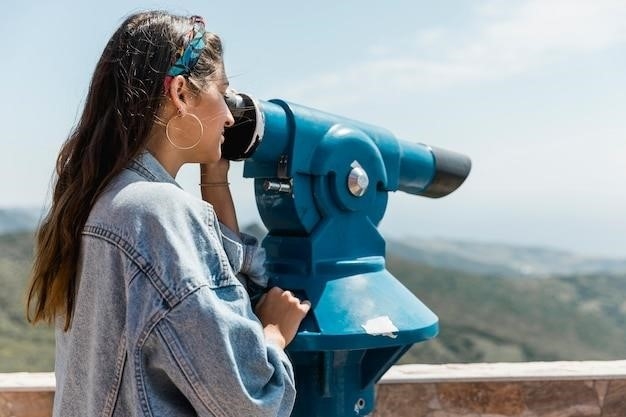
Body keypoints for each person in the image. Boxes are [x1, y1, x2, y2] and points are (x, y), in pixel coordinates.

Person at [26, 10, 310, 417]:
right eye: (222, 93)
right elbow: (248, 404)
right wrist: (273, 336)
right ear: (180, 92)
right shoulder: (158, 213)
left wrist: (215, 181)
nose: (231, 116)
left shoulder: (101, 199)